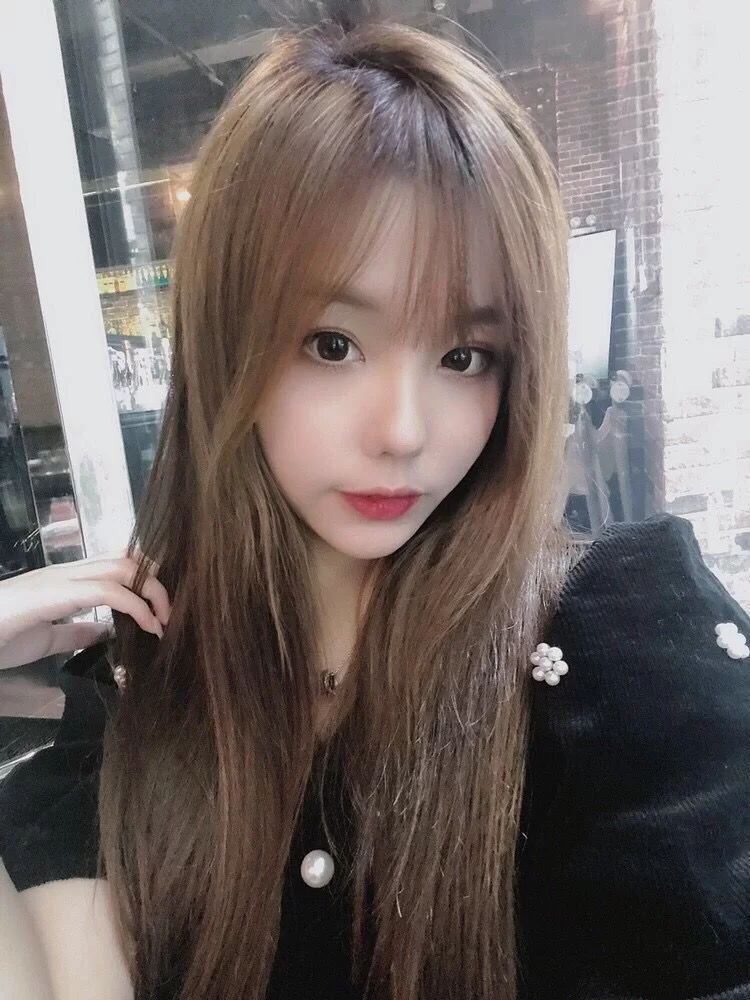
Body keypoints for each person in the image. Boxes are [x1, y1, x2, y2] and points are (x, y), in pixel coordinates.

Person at [1, 11, 749, 1000]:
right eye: (333, 344)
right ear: (227, 347)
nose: (402, 430)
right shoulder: (156, 686)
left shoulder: (622, 653)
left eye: (464, 356)